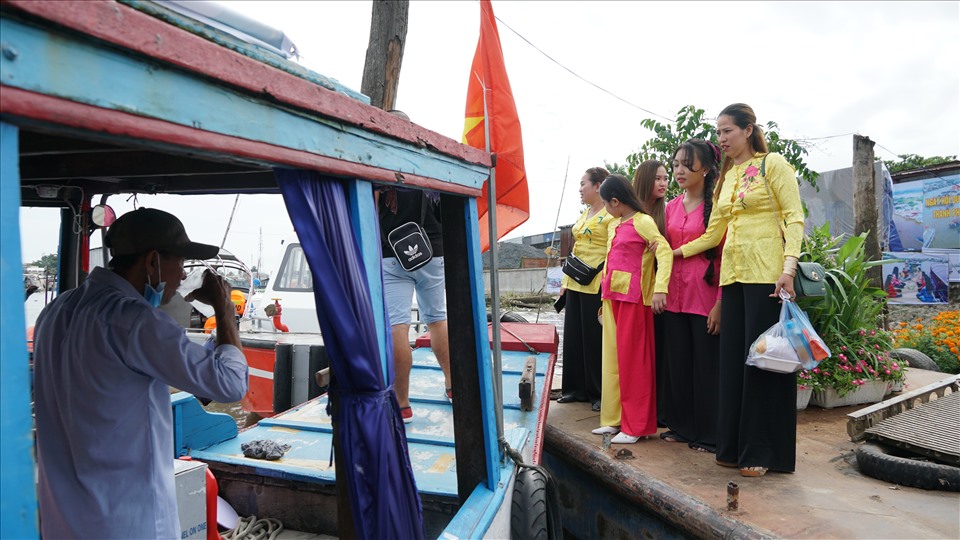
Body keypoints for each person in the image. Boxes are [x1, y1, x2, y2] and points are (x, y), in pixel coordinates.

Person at [33, 208, 248, 538]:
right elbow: (231, 384)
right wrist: (224, 310)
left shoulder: (56, 310)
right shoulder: (135, 321)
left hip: (65, 518)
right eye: (180, 263)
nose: (179, 278)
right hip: (126, 519)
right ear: (153, 262)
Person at [672, 103, 804, 477]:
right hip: (732, 276)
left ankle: (763, 451)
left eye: (727, 130)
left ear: (748, 130)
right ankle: (732, 446)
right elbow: (713, 233)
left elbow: (794, 216)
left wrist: (788, 268)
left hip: (767, 273)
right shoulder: (727, 176)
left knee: (764, 362)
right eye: (718, 132)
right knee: (734, 364)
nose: (722, 139)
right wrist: (673, 251)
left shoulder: (772, 164)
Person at [593, 175, 673, 444]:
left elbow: (664, 251)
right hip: (613, 297)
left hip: (634, 298)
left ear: (616, 201)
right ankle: (614, 419)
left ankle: (636, 425)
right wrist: (603, 299)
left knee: (634, 363)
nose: (605, 208)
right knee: (613, 362)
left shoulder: (643, 221)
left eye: (606, 203)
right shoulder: (617, 223)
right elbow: (610, 261)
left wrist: (660, 287)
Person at [660, 140, 724, 453]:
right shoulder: (670, 207)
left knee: (707, 368)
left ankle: (710, 433)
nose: (679, 171)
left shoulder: (718, 206)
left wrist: (720, 303)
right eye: (675, 165)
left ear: (708, 169)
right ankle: (682, 427)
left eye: (688, 164)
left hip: (705, 296)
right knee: (679, 364)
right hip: (674, 296)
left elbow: (728, 256)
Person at [378, 185, 451, 424]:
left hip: (392, 252)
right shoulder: (432, 174)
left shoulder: (383, 172)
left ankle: (402, 405)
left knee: (398, 326)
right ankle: (453, 387)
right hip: (433, 250)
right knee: (437, 319)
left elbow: (368, 211)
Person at [558, 167, 612, 411]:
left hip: (596, 281)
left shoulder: (610, 214)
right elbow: (575, 249)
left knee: (594, 338)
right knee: (574, 336)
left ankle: (599, 392)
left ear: (598, 185)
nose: (580, 189)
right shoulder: (584, 214)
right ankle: (574, 388)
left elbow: (613, 250)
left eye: (583, 184)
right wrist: (563, 283)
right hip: (574, 280)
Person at [631, 160, 669, 427]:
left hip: (661, 290)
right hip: (638, 294)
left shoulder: (667, 213)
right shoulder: (634, 216)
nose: (664, 183)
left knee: (660, 353)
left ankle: (660, 410)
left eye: (665, 178)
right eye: (657, 178)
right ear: (645, 180)